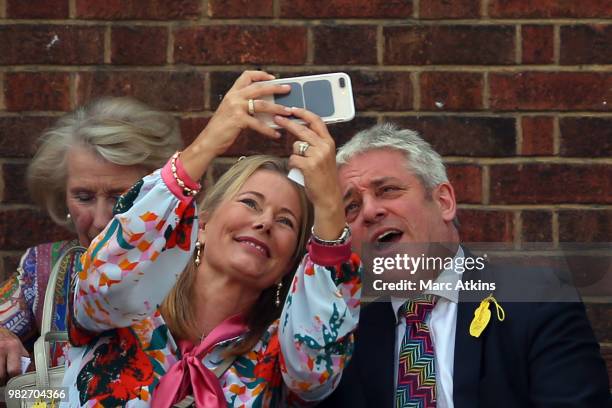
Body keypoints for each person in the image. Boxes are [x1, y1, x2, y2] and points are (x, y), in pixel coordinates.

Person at [62, 70, 362, 407]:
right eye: (250, 203)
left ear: (290, 264)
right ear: (200, 224)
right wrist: (211, 140)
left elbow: (315, 375)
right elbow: (104, 281)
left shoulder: (280, 353)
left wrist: (329, 207)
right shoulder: (126, 308)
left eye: (285, 222)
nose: (264, 223)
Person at [320, 123, 611, 407]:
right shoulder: (349, 340)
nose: (369, 211)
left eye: (387, 190)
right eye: (352, 207)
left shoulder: (537, 301)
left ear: (444, 202)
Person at [0, 97, 181, 384]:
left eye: (120, 198)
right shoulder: (44, 269)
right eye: (83, 197)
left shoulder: (186, 266)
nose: (100, 219)